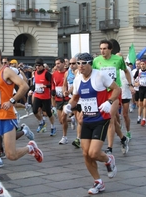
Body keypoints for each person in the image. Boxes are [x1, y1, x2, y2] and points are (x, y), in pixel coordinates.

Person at [0, 47, 43, 197]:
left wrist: (12, 100)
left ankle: (30, 148)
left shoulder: (6, 71)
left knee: (11, 155)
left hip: (7, 118)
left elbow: (24, 86)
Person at [64, 53, 120, 195]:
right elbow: (76, 97)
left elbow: (116, 89)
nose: (80, 66)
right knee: (85, 154)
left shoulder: (100, 76)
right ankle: (98, 182)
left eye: (83, 63)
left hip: (101, 118)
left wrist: (109, 102)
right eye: (78, 63)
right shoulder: (77, 79)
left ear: (90, 63)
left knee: (94, 152)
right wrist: (69, 106)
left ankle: (109, 159)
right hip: (87, 119)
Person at [93, 40, 133, 155]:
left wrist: (130, 85)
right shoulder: (96, 61)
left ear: (110, 49)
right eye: (101, 49)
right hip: (101, 92)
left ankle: (109, 149)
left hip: (114, 91)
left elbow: (126, 71)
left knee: (110, 118)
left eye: (105, 48)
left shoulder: (118, 59)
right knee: (112, 119)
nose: (102, 51)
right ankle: (123, 138)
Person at [31, 58, 56, 135]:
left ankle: (53, 126)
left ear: (42, 66)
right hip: (37, 95)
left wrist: (46, 86)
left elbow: (52, 83)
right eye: (36, 66)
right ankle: (42, 122)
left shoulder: (46, 73)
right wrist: (31, 90)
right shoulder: (35, 73)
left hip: (46, 97)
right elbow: (35, 84)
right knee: (34, 110)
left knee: (48, 113)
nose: (37, 67)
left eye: (39, 66)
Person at [51, 57, 71, 144]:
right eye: (56, 64)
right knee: (61, 120)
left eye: (58, 63)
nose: (57, 65)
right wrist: (52, 90)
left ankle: (64, 136)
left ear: (63, 63)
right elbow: (53, 84)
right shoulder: (54, 74)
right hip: (58, 98)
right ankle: (72, 119)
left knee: (63, 117)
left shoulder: (68, 73)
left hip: (67, 98)